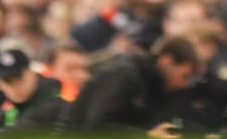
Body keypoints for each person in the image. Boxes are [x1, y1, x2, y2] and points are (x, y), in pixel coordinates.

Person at [63, 35, 198, 138]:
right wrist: (146, 135)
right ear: (167, 60)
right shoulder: (124, 73)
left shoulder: (154, 87)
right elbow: (97, 124)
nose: (183, 84)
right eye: (184, 76)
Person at [0, 48, 69, 137]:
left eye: (19, 77)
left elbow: (20, 131)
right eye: (8, 81)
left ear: (31, 73)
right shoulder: (13, 108)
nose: (16, 86)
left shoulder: (53, 98)